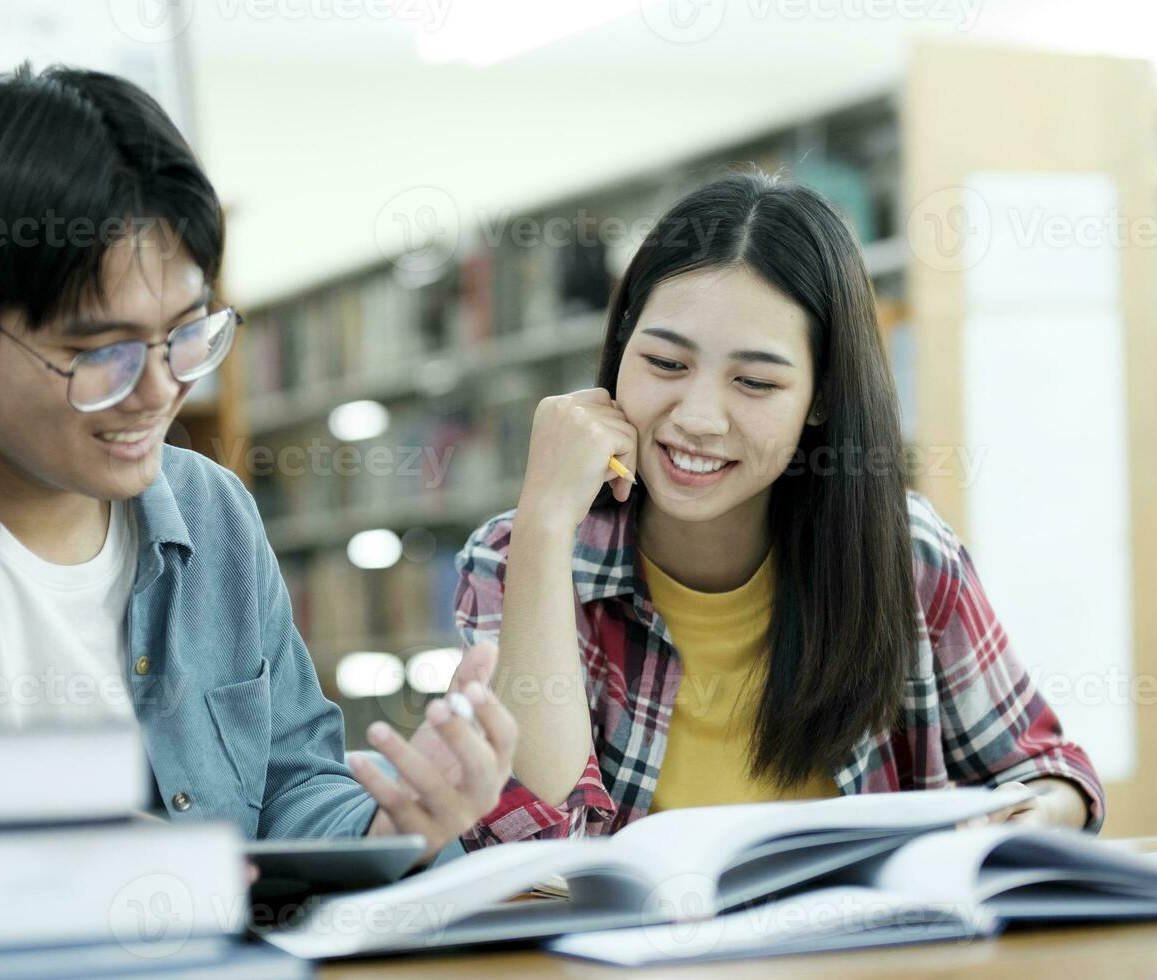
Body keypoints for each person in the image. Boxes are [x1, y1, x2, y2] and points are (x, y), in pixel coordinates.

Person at [0, 63, 514, 863]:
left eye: (188, 335)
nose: (158, 392)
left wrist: (387, 828)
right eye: (99, 353)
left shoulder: (210, 511)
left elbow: (290, 782)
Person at [452, 172, 1102, 848]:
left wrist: (1035, 812)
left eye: (755, 381)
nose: (698, 418)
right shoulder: (515, 555)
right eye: (666, 364)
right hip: (629, 953)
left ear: (820, 396)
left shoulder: (903, 552)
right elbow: (531, 860)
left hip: (870, 953)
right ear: (619, 353)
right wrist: (545, 525)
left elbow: (1049, 772)